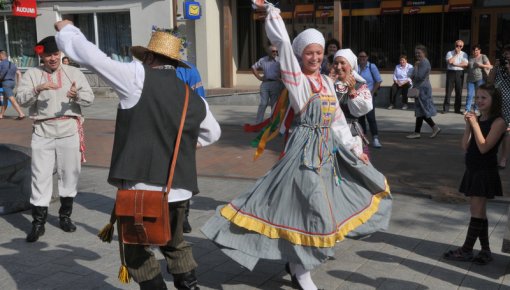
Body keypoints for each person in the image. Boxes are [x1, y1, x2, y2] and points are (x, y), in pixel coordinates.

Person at [203, 2, 391, 290]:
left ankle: (296, 262)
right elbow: (281, 41)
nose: (315, 57)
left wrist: (355, 150)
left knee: (324, 206)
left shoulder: (328, 84)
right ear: (299, 55)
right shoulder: (296, 79)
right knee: (312, 210)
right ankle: (302, 273)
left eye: (319, 52)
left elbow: (338, 121)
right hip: (303, 153)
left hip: (328, 152)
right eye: (309, 52)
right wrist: (272, 12)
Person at [55, 20, 221, 289]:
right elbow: (213, 133)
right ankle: (189, 285)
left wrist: (67, 30)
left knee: (136, 250)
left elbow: (92, 57)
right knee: (175, 243)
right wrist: (182, 147)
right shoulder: (194, 98)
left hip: (140, 189)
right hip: (178, 189)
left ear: (150, 57)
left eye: (144, 58)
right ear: (175, 65)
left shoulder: (137, 78)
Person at [16, 36, 95, 242]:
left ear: (61, 54)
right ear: (41, 55)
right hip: (43, 130)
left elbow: (90, 98)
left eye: (55, 54)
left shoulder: (74, 72)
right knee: (40, 176)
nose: (52, 58)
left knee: (70, 174)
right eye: (48, 55)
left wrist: (76, 95)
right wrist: (37, 89)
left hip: (69, 129)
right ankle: (38, 223)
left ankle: (65, 217)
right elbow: (21, 99)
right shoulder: (33, 74)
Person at [443, 84, 506, 265]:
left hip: (484, 170)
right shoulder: (478, 119)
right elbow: (465, 146)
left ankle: (466, 249)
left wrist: (475, 125)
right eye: (477, 97)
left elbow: (484, 147)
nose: (479, 101)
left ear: (494, 101)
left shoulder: (499, 122)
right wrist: (468, 127)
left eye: (483, 97)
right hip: (472, 169)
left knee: (477, 212)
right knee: (478, 211)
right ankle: (485, 251)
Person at [176, 60, 206, 234]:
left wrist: (197, 129)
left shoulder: (188, 69)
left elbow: (200, 100)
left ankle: (183, 215)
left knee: (184, 172)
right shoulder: (148, 68)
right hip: (156, 126)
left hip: (183, 128)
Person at [333, 48, 373, 151]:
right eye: (336, 63)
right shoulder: (328, 83)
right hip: (329, 133)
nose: (338, 67)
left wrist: (351, 91)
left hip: (349, 132)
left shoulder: (359, 85)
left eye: (342, 63)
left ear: (350, 66)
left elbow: (363, 109)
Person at [406, 45, 441, 139]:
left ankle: (434, 127)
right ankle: (417, 132)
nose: (417, 54)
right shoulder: (421, 62)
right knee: (420, 111)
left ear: (424, 53)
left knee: (422, 110)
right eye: (416, 53)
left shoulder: (424, 62)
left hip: (423, 89)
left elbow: (419, 77)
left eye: (419, 53)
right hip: (420, 88)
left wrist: (416, 67)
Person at [489, 46, 510, 169]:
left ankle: (504, 158)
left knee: (507, 133)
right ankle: (491, 156)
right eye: (505, 55)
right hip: (497, 102)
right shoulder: (498, 67)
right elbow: (490, 82)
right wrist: (495, 67)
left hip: (509, 105)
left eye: (509, 55)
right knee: (493, 130)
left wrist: (508, 68)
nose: (507, 57)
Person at [356, 50, 383, 148]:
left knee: (371, 118)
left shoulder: (372, 66)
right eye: (360, 56)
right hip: (358, 97)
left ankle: (375, 139)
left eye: (364, 56)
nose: (362, 58)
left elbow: (378, 81)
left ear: (367, 57)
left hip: (369, 96)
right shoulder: (356, 68)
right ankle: (364, 139)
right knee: (361, 118)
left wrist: (371, 93)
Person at [251, 44, 284, 124]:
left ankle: (273, 125)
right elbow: (253, 67)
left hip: (276, 84)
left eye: (276, 51)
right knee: (263, 103)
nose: (275, 53)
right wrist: (259, 77)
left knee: (274, 105)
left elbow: (286, 71)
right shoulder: (263, 60)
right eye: (273, 51)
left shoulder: (280, 60)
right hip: (265, 84)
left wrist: (281, 79)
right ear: (268, 52)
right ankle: (258, 123)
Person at [443, 40, 468, 114]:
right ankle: (446, 109)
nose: (458, 47)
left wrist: (455, 64)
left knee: (459, 91)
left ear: (462, 47)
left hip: (459, 72)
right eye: (457, 45)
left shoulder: (464, 54)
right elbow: (450, 62)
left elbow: (465, 64)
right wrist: (456, 54)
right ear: (455, 45)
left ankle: (457, 109)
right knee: (448, 91)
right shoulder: (449, 53)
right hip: (451, 72)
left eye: (460, 46)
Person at [465, 45, 492, 114]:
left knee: (478, 95)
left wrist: (481, 65)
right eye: (474, 50)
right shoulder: (470, 57)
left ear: (479, 50)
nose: (475, 52)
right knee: (469, 94)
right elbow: (467, 66)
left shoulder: (483, 56)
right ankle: (467, 109)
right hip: (470, 79)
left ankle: (476, 108)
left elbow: (490, 66)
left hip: (479, 79)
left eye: (476, 50)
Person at [0, 50, 25, 120]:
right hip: (12, 83)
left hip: (6, 83)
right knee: (5, 99)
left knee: (11, 98)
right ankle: (1, 115)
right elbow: (19, 74)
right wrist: (18, 85)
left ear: (1, 55)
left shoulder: (1, 64)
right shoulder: (12, 64)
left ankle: (21, 113)